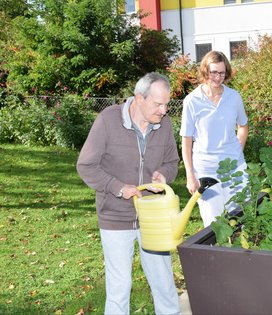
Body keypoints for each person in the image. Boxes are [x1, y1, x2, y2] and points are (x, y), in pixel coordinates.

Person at [76, 72, 180, 315]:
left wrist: (163, 175)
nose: (164, 110)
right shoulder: (108, 120)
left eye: (167, 104)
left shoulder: (164, 124)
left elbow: (172, 162)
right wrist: (118, 188)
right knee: (119, 287)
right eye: (158, 104)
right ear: (139, 98)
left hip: (153, 217)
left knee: (164, 284)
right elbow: (86, 165)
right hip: (115, 216)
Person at [180, 50, 249, 227]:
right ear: (205, 71)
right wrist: (190, 175)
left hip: (235, 168)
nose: (218, 77)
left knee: (242, 218)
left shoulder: (234, 97)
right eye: (214, 72)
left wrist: (236, 151)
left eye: (222, 72)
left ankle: (240, 254)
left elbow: (243, 126)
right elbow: (187, 140)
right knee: (214, 224)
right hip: (206, 169)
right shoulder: (192, 101)